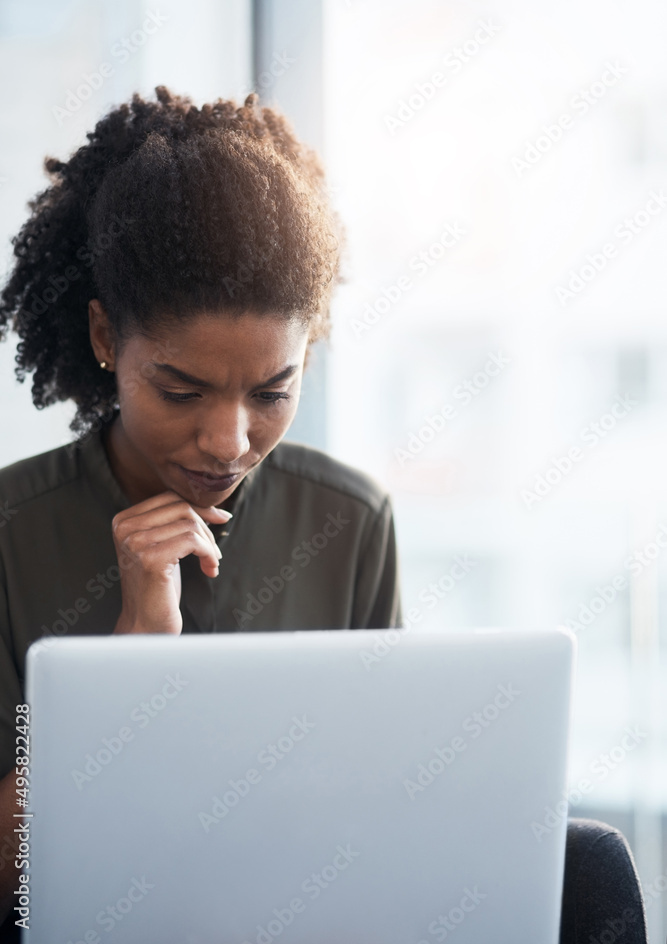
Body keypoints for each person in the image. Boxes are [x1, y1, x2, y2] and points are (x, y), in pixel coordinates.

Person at [0, 87, 401, 932]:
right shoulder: (11, 536)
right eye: (181, 390)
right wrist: (129, 663)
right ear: (107, 340)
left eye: (272, 391)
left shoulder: (350, 523)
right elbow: (10, 886)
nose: (228, 441)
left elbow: (387, 821)